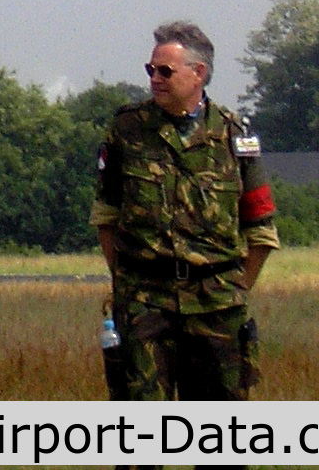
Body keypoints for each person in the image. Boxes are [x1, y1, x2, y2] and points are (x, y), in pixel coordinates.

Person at [92, 20, 278, 398]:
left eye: (165, 71)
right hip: (145, 305)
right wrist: (127, 284)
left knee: (220, 441)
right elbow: (106, 217)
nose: (155, 79)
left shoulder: (234, 136)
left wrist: (236, 290)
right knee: (138, 439)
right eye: (151, 70)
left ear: (199, 74)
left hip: (217, 306)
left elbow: (261, 231)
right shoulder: (127, 130)